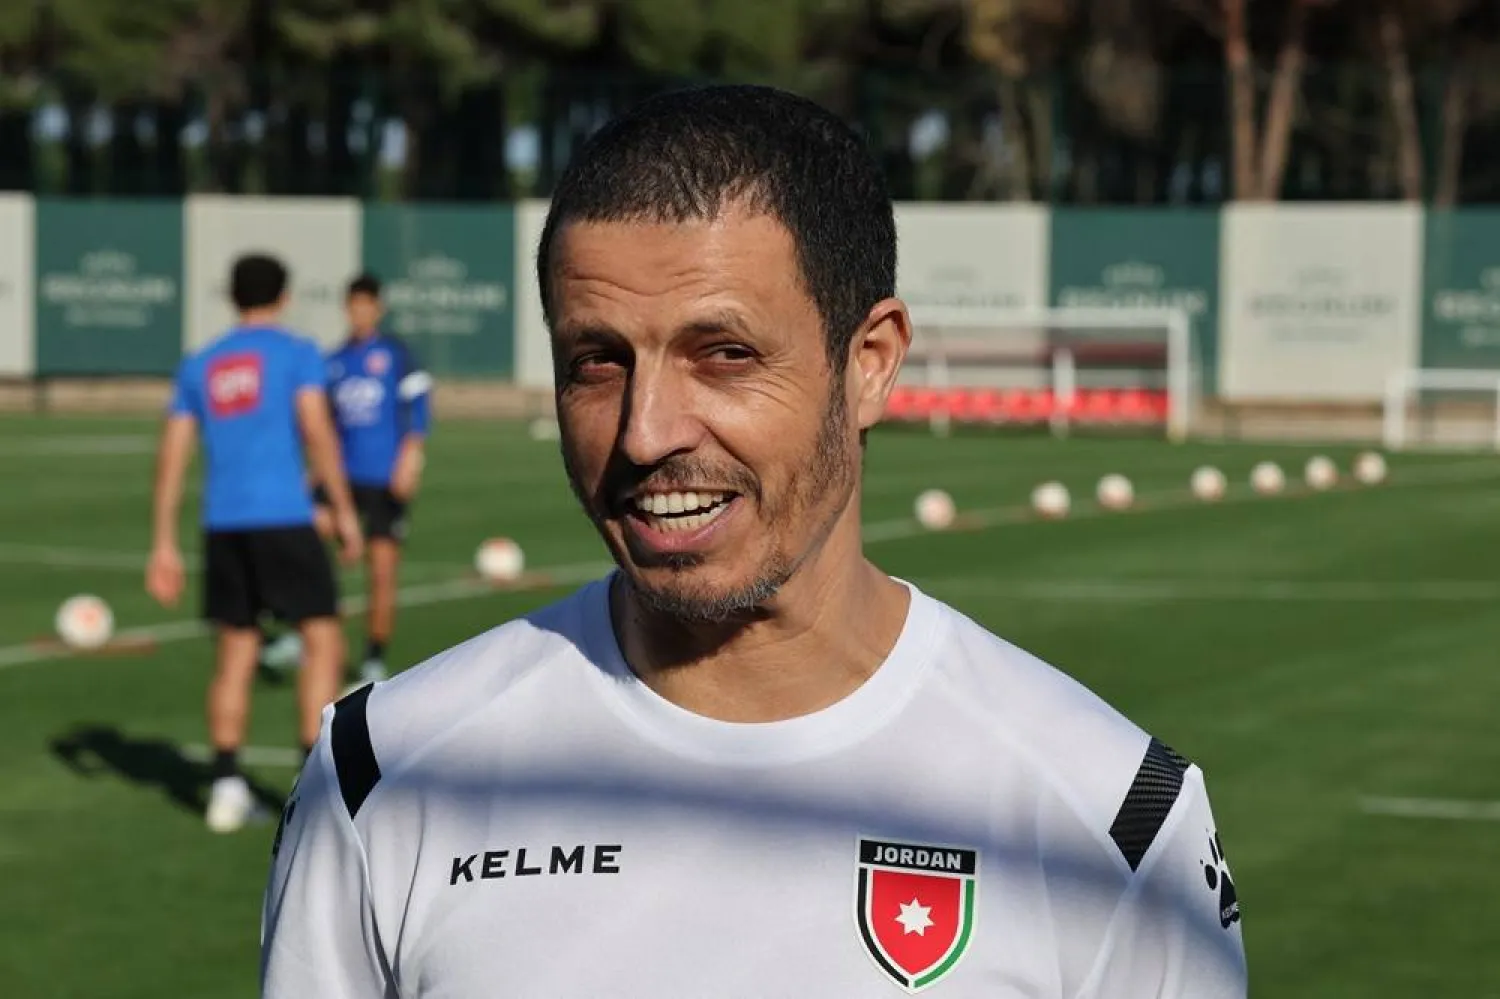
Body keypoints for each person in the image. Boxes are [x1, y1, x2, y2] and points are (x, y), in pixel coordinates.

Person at [261, 86, 1247, 997]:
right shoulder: (382, 773)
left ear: (870, 365)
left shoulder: (1109, 812)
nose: (647, 433)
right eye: (595, 363)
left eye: (723, 354)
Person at [146, 252, 364, 835]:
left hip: (224, 524)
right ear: (285, 296)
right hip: (285, 517)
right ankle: (310, 785)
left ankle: (224, 786)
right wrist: (343, 511)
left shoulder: (201, 364)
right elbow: (316, 430)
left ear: (231, 297)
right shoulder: (295, 354)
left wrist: (163, 541)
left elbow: (172, 455)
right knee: (322, 639)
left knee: (236, 653)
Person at [315, 272, 432, 689]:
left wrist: (410, 458)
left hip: (384, 478)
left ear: (377, 309)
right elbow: (322, 423)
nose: (359, 313)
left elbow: (418, 408)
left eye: (366, 305)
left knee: (381, 570)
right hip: (342, 478)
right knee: (311, 545)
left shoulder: (397, 355)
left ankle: (373, 658)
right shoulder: (334, 361)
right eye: (353, 305)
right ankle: (306, 633)